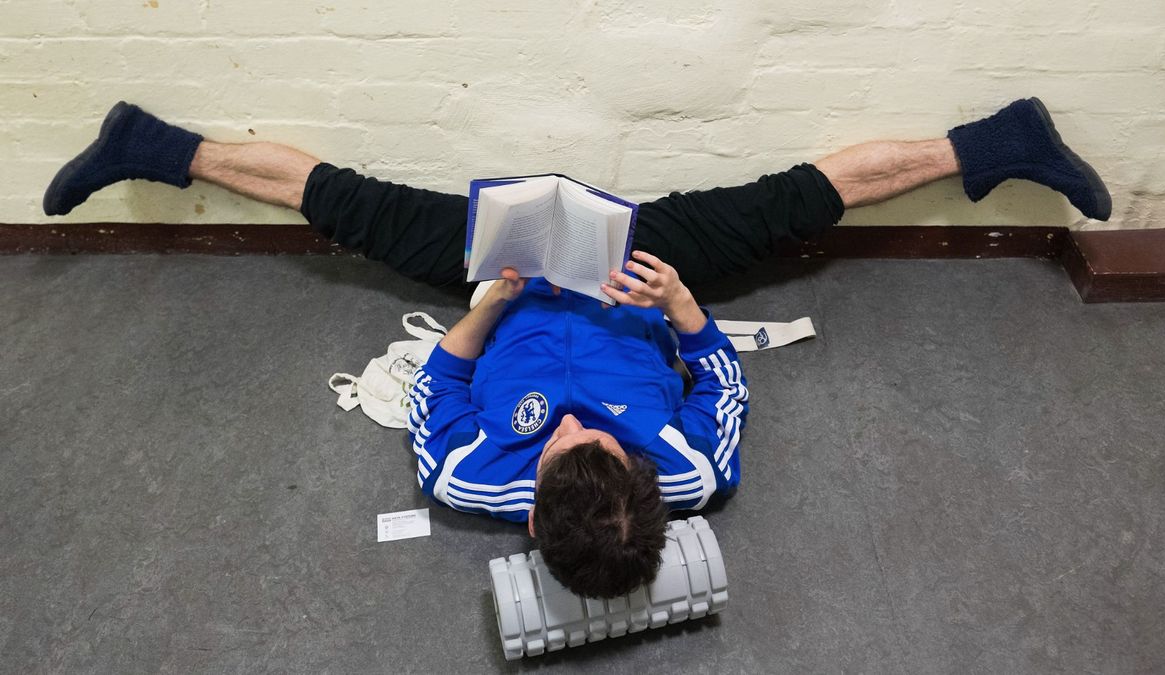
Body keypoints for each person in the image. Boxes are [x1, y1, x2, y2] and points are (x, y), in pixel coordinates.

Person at [42, 97, 1110, 598]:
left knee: (342, 206)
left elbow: (443, 382)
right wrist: (682, 299)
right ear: (643, 479)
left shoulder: (470, 479)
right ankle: (1000, 140)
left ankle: (148, 142)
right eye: (594, 435)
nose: (567, 424)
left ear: (531, 497)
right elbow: (723, 378)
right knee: (803, 200)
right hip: (638, 266)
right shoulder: (692, 473)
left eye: (557, 444)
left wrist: (493, 302)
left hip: (503, 280)